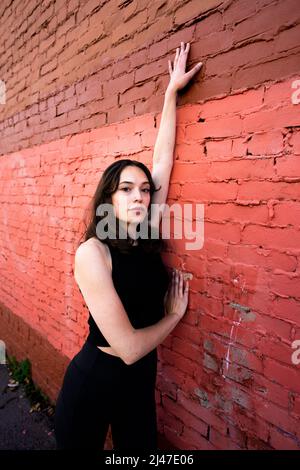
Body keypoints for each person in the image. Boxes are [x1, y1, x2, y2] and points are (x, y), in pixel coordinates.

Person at [54, 42, 203, 450]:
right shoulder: (93, 253)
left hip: (140, 380)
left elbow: (163, 158)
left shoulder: (147, 228)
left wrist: (171, 94)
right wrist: (173, 317)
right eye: (126, 189)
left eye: (144, 190)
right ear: (109, 199)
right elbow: (130, 348)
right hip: (96, 377)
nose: (139, 196)